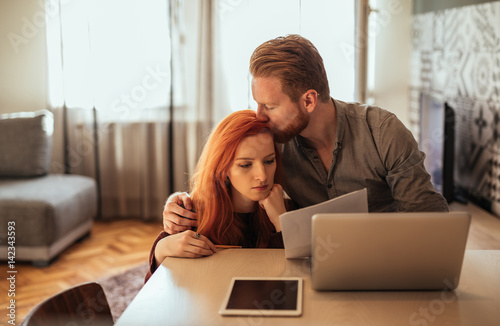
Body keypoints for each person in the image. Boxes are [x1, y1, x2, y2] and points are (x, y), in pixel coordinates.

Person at [162, 34, 448, 235]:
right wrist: (180, 202)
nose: (259, 116)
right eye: (256, 104)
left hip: (388, 257)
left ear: (308, 101)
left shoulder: (382, 132)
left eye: (270, 106)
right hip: (312, 260)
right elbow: (228, 184)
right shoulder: (272, 141)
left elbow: (428, 219)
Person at [145, 110, 288, 282]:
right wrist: (161, 251)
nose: (263, 176)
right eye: (245, 165)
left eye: (269, 161)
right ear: (223, 168)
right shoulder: (191, 215)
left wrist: (282, 220)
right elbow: (155, 289)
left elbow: (298, 274)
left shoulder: (287, 209)